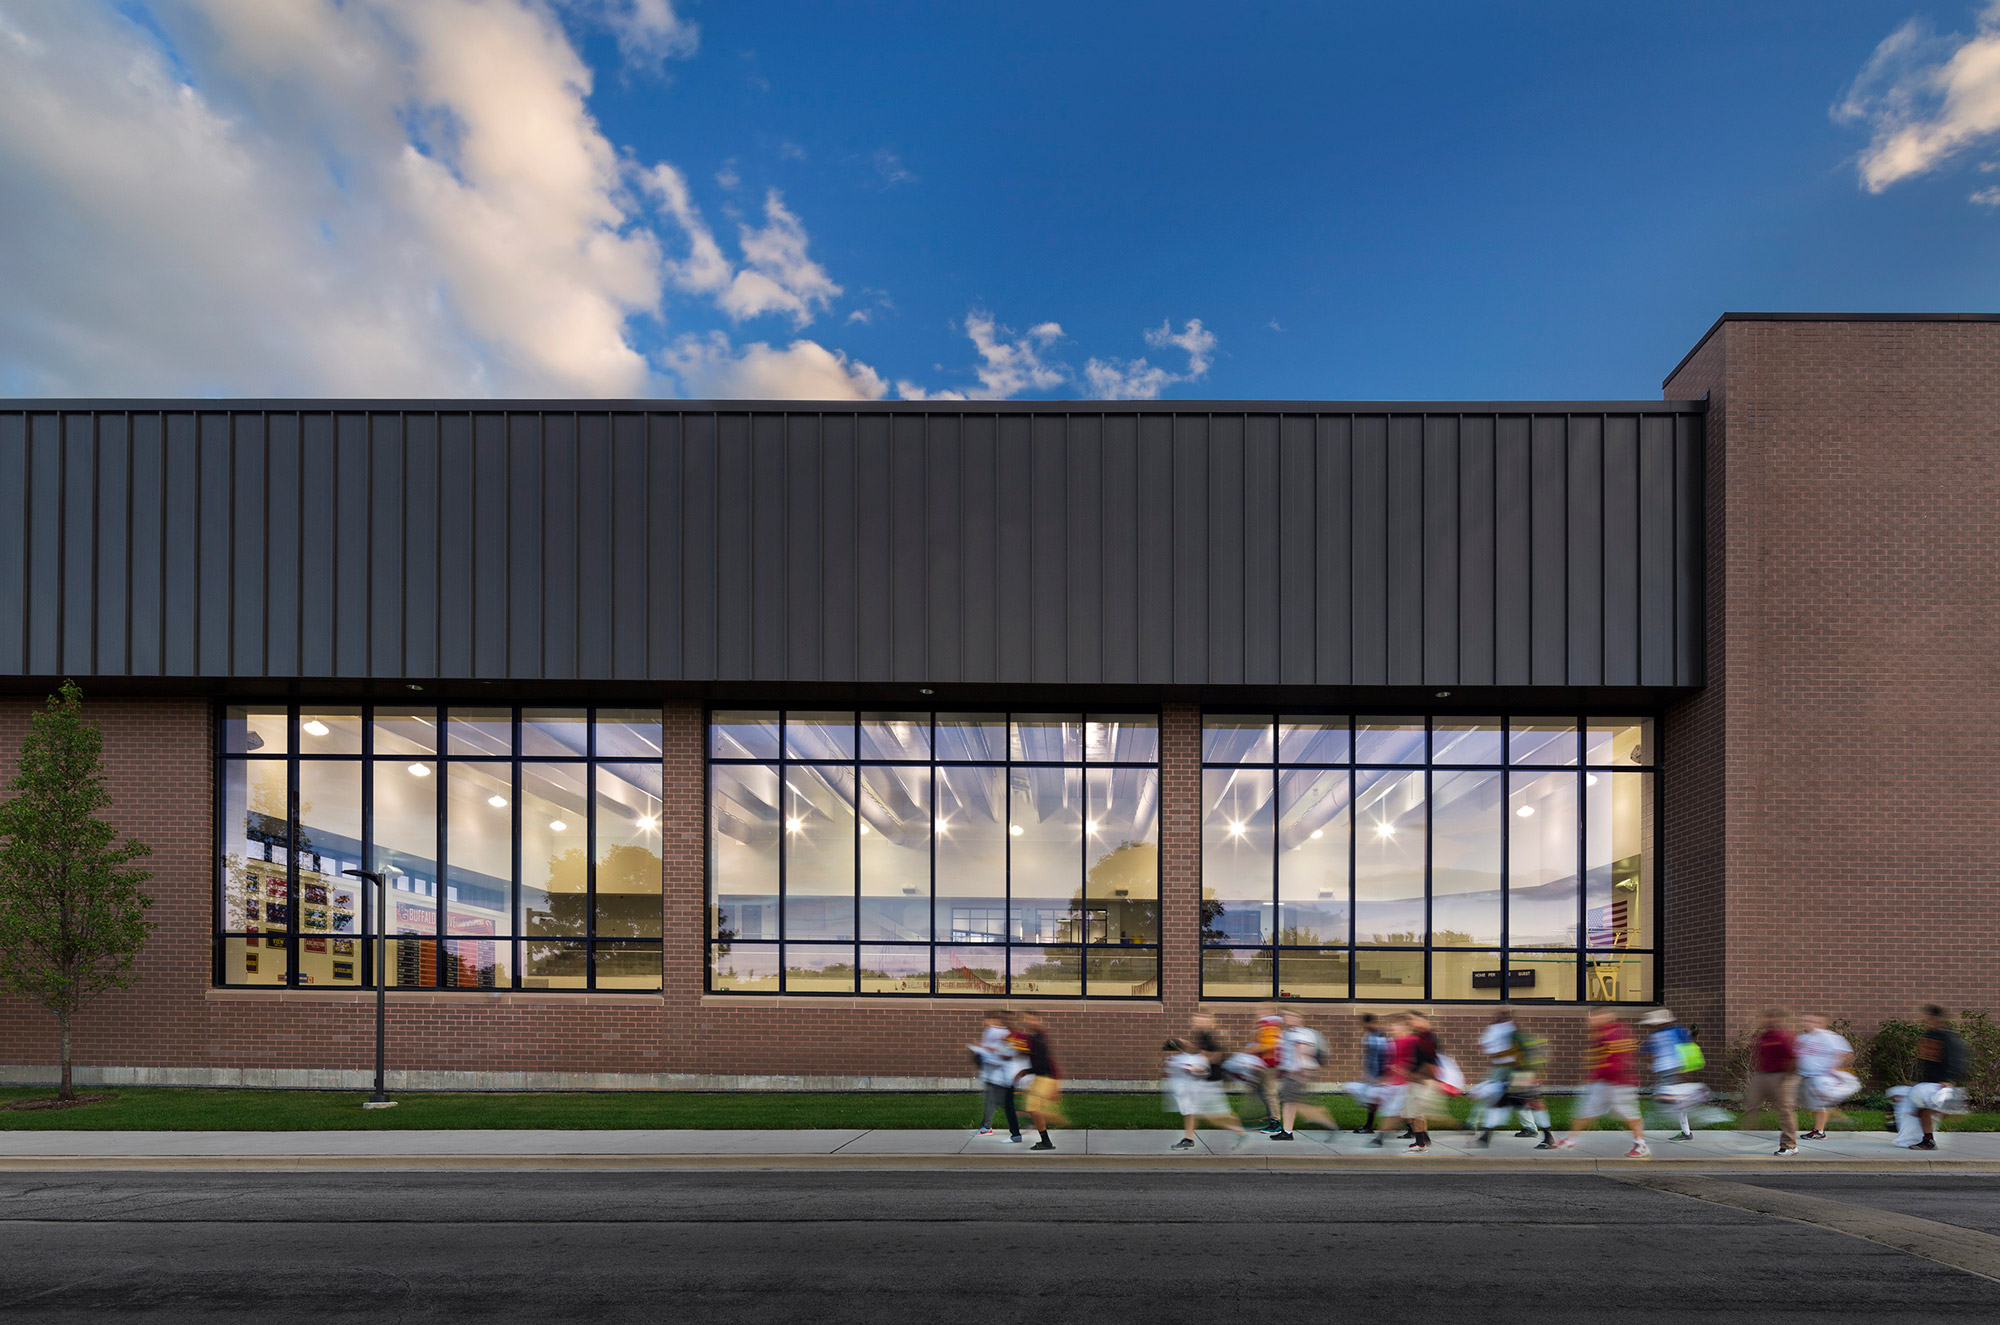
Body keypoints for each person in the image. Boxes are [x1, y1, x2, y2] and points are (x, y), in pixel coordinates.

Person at [1554, 1010, 1647, 1157]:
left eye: (1595, 1017)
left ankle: (1641, 1144)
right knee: (1585, 1111)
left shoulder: (1618, 1032)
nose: (1591, 1020)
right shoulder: (1599, 1034)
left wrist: (1601, 1072)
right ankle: (1570, 1140)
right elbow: (1598, 1058)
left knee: (1629, 1115)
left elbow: (1619, 1059)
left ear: (1607, 1017)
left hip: (1620, 1083)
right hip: (1603, 1082)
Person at [1474, 1010, 1555, 1149]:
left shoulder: (1513, 1035)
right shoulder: (1516, 1034)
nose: (1496, 1021)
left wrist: (1498, 1057)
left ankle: (1548, 1137)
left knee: (1522, 1105)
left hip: (1523, 1076)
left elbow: (1515, 1055)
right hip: (1520, 1076)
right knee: (1512, 1104)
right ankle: (1485, 1137)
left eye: (1499, 1019)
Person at [1164, 1037, 1249, 1150]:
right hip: (1202, 1087)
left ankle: (1241, 1133)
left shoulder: (1207, 1052)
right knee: (1191, 1112)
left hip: (1210, 1088)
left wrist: (1192, 1069)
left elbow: (1204, 1068)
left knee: (1215, 1117)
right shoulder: (1194, 1054)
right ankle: (1188, 1139)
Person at [1906, 1004, 1970, 1151]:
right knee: (1922, 1111)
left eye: (1927, 1017)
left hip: (1941, 1082)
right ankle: (1929, 1139)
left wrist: (1948, 1078)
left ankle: (1930, 1138)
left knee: (1925, 1111)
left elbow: (1956, 1058)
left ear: (1936, 1018)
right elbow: (1926, 1061)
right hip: (1928, 1082)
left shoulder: (1947, 1037)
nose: (1924, 1020)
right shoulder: (1927, 1035)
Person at [1737, 1007, 1800, 1156]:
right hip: (1762, 1075)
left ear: (1776, 1020)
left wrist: (1787, 1077)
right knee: (1751, 1105)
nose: (1765, 1020)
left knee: (1785, 1111)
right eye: (1765, 1017)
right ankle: (1747, 1137)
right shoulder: (1763, 1036)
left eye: (1769, 1018)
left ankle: (1789, 1145)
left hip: (1781, 1076)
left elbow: (1794, 1058)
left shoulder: (1782, 1037)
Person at [1272, 1010, 1338, 1141]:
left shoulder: (1300, 1033)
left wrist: (1296, 1070)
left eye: (1290, 1015)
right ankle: (1287, 1132)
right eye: (1285, 1016)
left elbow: (1303, 1052)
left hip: (1299, 1072)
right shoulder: (1288, 1033)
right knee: (1289, 1102)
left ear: (1298, 1018)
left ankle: (1328, 1123)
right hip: (1293, 1072)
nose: (1287, 1018)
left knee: (1295, 1103)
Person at [1641, 1008, 1697, 1141]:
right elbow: (1689, 1044)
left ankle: (1649, 1123)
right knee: (1671, 1098)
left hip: (1666, 1070)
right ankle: (1686, 1132)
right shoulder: (1678, 1031)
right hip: (1676, 1068)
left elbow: (1645, 1052)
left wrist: (1651, 1064)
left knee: (1664, 1098)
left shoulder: (1654, 1036)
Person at [1794, 1014, 1853, 1141]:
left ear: (1821, 1023)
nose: (1807, 1023)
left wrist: (1835, 1068)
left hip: (1820, 1078)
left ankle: (1819, 1131)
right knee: (1809, 1103)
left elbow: (1845, 1053)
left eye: (1812, 1021)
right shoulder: (1802, 1038)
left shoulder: (1829, 1037)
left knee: (1818, 1105)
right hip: (1804, 1075)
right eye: (1805, 1020)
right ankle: (1832, 1112)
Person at [967, 1009, 1023, 1142]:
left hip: (1004, 1077)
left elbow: (1006, 1053)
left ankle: (1014, 1130)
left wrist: (983, 1048)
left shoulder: (1008, 1034)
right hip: (1000, 1076)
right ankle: (1013, 1131)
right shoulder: (1004, 1034)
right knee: (1000, 1103)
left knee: (1001, 1104)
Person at [1015, 1011, 1067, 1151]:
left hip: (1044, 1077)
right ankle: (1046, 1139)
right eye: (1026, 1019)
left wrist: (1055, 1083)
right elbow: (1044, 1060)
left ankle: (1047, 1138)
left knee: (1033, 1108)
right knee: (1033, 1108)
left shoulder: (1037, 1039)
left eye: (1032, 1019)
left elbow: (1044, 1062)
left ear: (1038, 1021)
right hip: (1041, 1077)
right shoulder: (1036, 1038)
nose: (1029, 1022)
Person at [1248, 1003, 1287, 1131]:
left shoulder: (1270, 1026)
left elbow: (1270, 1045)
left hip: (1270, 1063)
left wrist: (1253, 1050)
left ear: (1269, 1011)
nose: (1259, 1012)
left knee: (1270, 1093)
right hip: (1263, 1063)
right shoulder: (1263, 1025)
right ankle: (1269, 1116)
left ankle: (1276, 1121)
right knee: (1260, 1090)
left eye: (1263, 1010)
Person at [1357, 1013, 1392, 1134]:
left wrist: (1381, 1076)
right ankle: (1368, 1126)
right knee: (1374, 1101)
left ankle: (1369, 1127)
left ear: (1367, 1023)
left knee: (1382, 1102)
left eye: (1364, 1024)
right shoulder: (1370, 1035)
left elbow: (1383, 1057)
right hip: (1375, 1074)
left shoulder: (1378, 1037)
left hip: (1379, 1075)